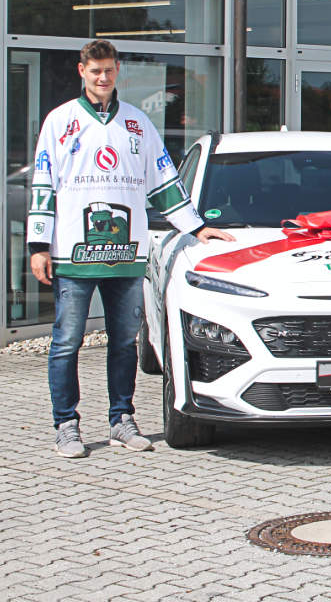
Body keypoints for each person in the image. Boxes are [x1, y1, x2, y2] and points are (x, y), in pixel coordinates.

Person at [27, 39, 234, 459]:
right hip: (73, 254)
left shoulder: (138, 124)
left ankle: (122, 419)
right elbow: (44, 186)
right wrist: (38, 245)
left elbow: (163, 184)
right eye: (95, 71)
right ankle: (66, 425)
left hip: (126, 256)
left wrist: (197, 228)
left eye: (109, 70)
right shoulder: (60, 122)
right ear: (81, 71)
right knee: (66, 342)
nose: (102, 78)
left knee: (124, 343)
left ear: (117, 70)